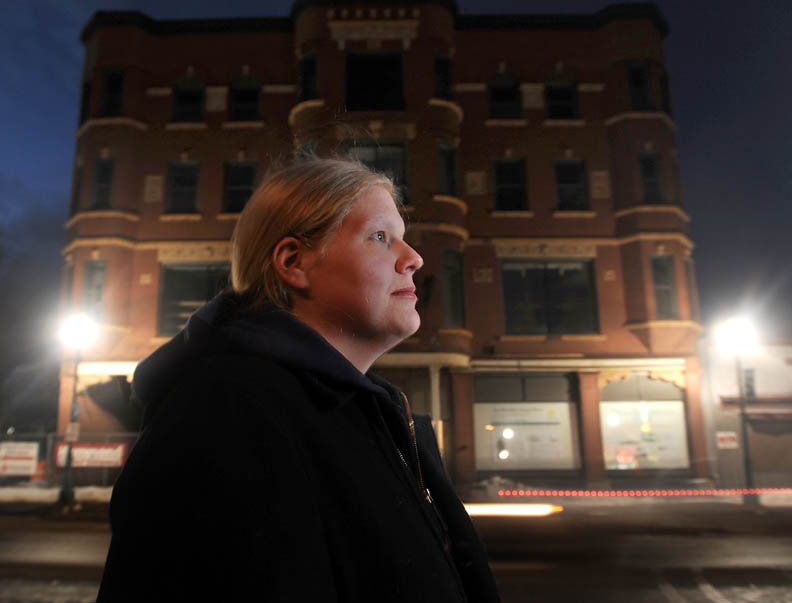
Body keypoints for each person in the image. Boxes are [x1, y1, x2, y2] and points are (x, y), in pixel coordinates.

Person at [97, 156, 501, 602]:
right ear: (294, 262)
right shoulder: (225, 417)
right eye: (380, 237)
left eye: (402, 238)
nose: (414, 258)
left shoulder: (374, 414)